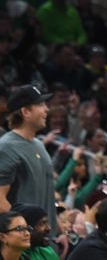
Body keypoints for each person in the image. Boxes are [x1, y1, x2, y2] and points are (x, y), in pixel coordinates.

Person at [0, 86, 57, 231]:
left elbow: (46, 197)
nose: (46, 109)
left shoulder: (39, 145)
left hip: (46, 239)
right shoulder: (7, 146)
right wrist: (24, 229)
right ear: (25, 111)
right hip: (25, 243)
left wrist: (60, 229)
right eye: (40, 105)